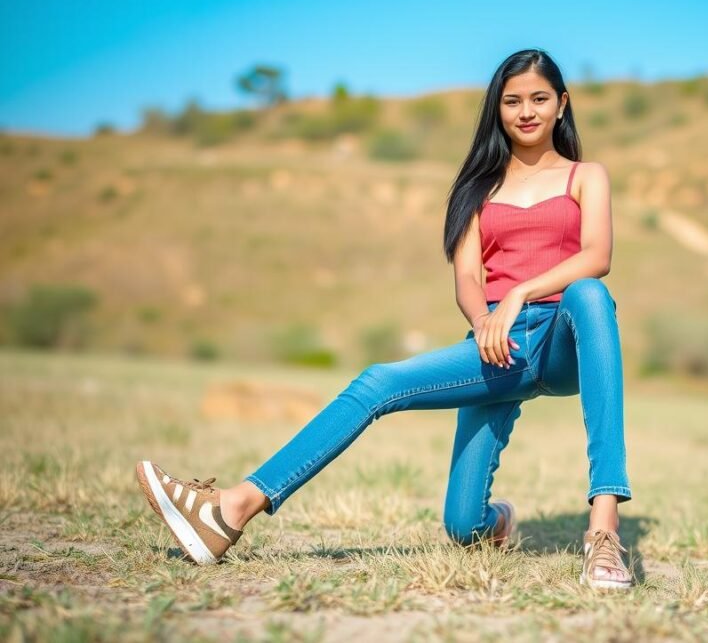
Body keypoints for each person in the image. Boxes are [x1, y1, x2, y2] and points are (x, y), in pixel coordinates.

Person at [136, 48, 634, 589]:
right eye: (512, 101)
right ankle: (494, 524)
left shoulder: (587, 176)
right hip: (498, 346)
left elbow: (597, 256)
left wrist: (519, 296)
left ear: (562, 103)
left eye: (539, 98)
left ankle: (603, 531)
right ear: (497, 110)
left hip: (564, 338)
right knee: (446, 497)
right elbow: (468, 277)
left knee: (589, 292)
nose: (526, 111)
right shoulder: (478, 188)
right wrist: (487, 318)